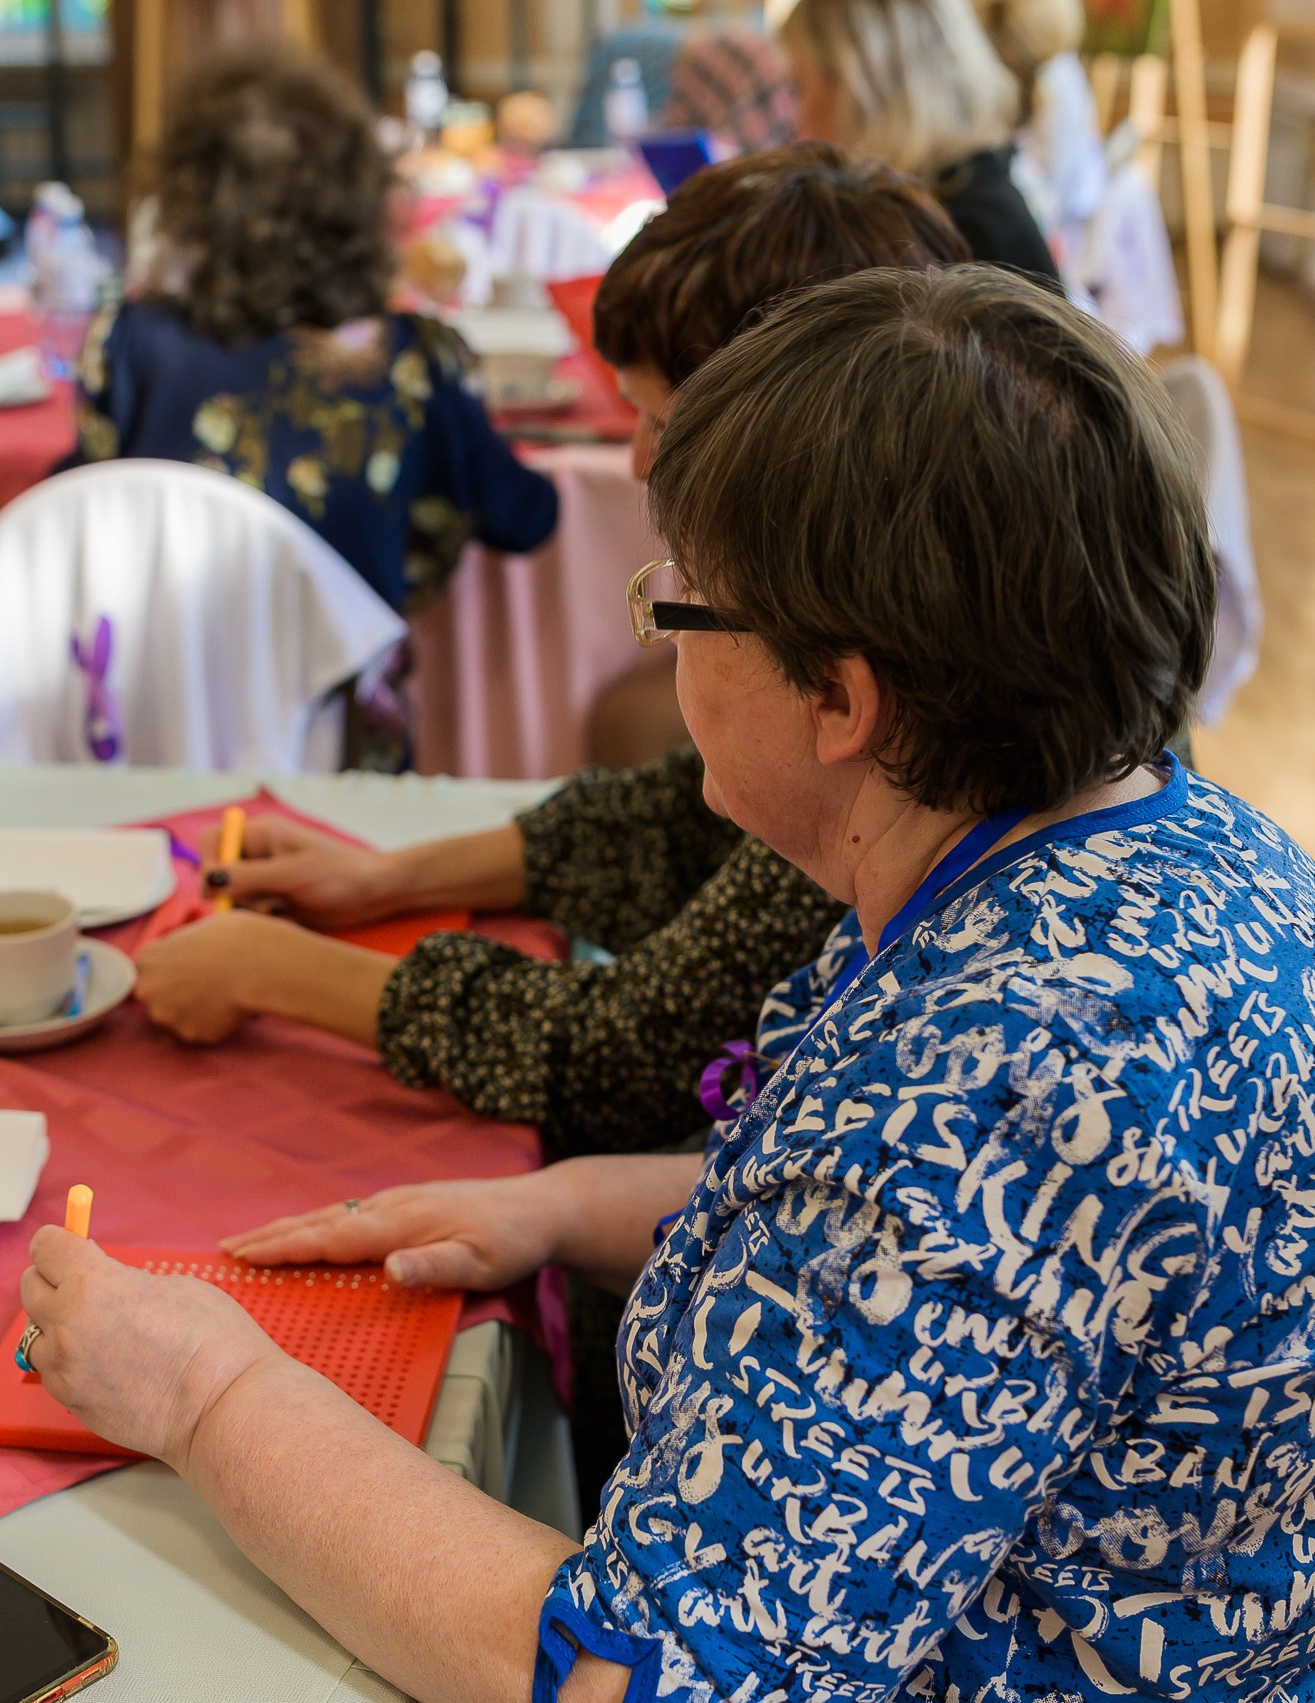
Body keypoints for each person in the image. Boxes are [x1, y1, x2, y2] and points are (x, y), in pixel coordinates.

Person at [18, 266, 1315, 1702]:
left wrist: (206, 1390)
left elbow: (634, 1680)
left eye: (681, 606)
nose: (665, 640)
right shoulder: (1183, 853)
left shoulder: (995, 1079)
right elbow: (974, 1276)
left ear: (840, 698)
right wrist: (562, 1203)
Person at [132, 146, 969, 1506]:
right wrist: (386, 881)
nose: (635, 456)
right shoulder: (964, 820)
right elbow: (670, 821)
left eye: (678, 608)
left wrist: (209, 1396)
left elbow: (655, 1615)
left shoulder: (945, 967)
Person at [64, 48, 557, 614]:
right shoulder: (414, 357)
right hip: (349, 669)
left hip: (176, 664)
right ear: (360, 198)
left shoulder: (130, 341)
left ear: (186, 199)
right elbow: (525, 519)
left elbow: (77, 508)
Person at [782, 0, 1062, 282]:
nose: (799, 120)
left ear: (863, 90)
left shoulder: (962, 232)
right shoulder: (957, 197)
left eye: (800, 88)